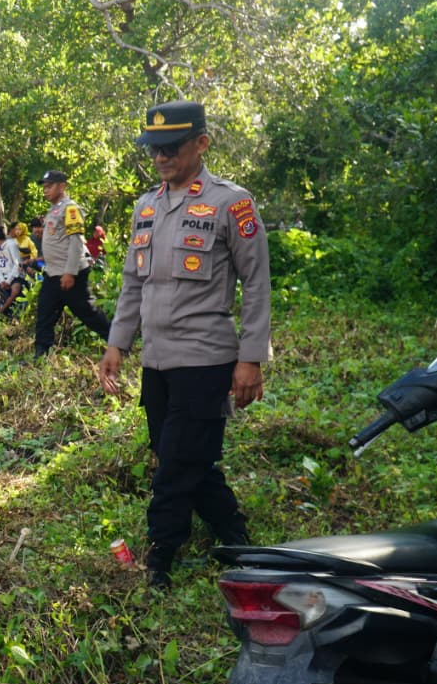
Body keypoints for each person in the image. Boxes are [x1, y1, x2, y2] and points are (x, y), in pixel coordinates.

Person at [97, 100, 272, 588]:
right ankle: (233, 534)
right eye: (153, 148)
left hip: (205, 358)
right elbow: (133, 283)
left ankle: (160, 557)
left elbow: (257, 284)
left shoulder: (231, 203)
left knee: (174, 466)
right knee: (184, 455)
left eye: (171, 147)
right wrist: (117, 343)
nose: (161, 157)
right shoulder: (147, 206)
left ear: (201, 143)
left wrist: (251, 358)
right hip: (157, 361)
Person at [33, 169, 111, 357]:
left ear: (62, 186)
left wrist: (70, 272)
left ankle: (117, 342)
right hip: (53, 273)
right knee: (44, 313)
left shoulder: (70, 209)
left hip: (70, 274)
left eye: (50, 186)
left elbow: (76, 242)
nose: (45, 190)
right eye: (44, 187)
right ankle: (40, 354)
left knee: (88, 313)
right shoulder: (54, 209)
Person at [0, 225, 25, 316]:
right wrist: (1, 280)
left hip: (14, 276)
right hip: (2, 278)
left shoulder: (11, 245)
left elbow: (17, 264)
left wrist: (8, 281)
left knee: (15, 290)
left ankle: (1, 311)